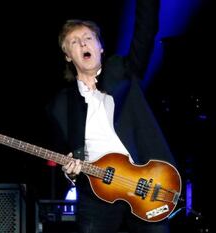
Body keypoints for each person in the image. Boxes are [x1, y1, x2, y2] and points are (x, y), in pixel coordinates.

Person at [45, 0, 176, 232]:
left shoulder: (122, 72)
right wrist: (70, 169)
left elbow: (145, 32)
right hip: (97, 193)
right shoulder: (60, 104)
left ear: (100, 47)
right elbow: (66, 152)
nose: (83, 43)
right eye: (74, 42)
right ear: (67, 55)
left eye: (88, 38)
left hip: (143, 183)